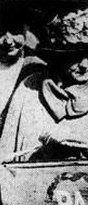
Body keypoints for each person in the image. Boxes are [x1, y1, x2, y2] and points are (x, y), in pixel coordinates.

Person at [0, 2, 88, 162]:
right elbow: (7, 155)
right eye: (75, 56)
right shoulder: (30, 88)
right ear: (57, 56)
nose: (85, 65)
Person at [0, 0, 45, 138]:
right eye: (0, 33)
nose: (8, 41)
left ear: (26, 31)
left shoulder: (36, 70)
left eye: (15, 31)